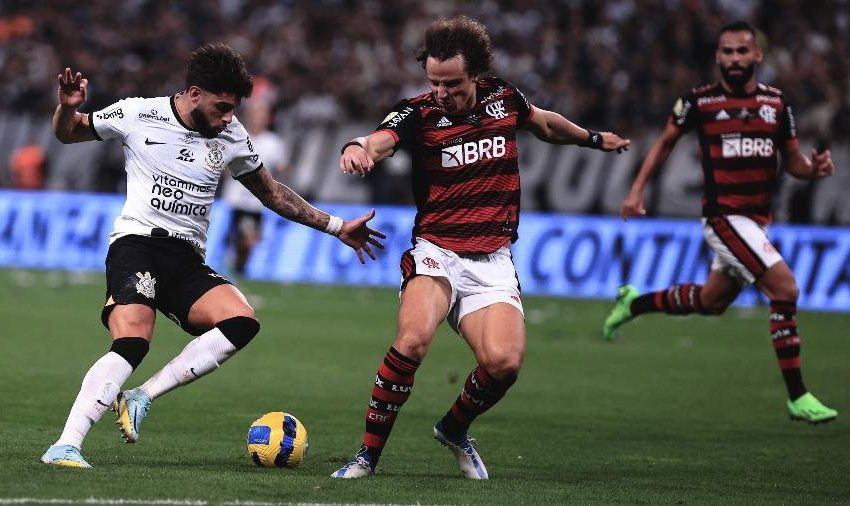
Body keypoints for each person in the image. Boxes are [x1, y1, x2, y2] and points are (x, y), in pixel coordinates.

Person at [41, 43, 385, 469]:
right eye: (222, 107)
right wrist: (66, 108)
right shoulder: (137, 113)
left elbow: (273, 194)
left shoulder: (232, 134)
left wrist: (335, 226)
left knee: (242, 321)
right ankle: (66, 445)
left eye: (234, 109)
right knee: (133, 340)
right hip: (138, 244)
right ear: (195, 92)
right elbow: (69, 131)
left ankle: (141, 397)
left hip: (186, 258)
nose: (229, 117)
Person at [331, 16, 630, 480]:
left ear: (476, 75)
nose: (443, 92)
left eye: (452, 83)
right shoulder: (417, 112)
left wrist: (592, 139)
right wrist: (359, 147)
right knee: (412, 340)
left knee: (504, 363)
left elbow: (545, 125)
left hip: (492, 258)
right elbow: (381, 138)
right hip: (437, 250)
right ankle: (367, 457)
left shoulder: (503, 97)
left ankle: (453, 429)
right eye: (434, 82)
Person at [602, 21, 837, 424]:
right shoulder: (699, 102)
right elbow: (664, 143)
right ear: (717, 56)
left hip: (757, 222)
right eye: (726, 52)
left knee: (711, 302)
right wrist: (637, 189)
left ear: (757, 55)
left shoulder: (777, 104)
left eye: (741, 51)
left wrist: (814, 170)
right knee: (785, 288)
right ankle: (798, 396)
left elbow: (795, 163)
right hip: (724, 217)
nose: (733, 59)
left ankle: (634, 302)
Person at [220, 98, 289, 275]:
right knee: (246, 239)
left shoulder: (274, 143)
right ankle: (233, 266)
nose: (259, 118)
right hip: (236, 200)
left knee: (250, 241)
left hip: (259, 202)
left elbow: (283, 169)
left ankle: (237, 268)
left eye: (262, 115)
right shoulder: (237, 136)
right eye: (255, 114)